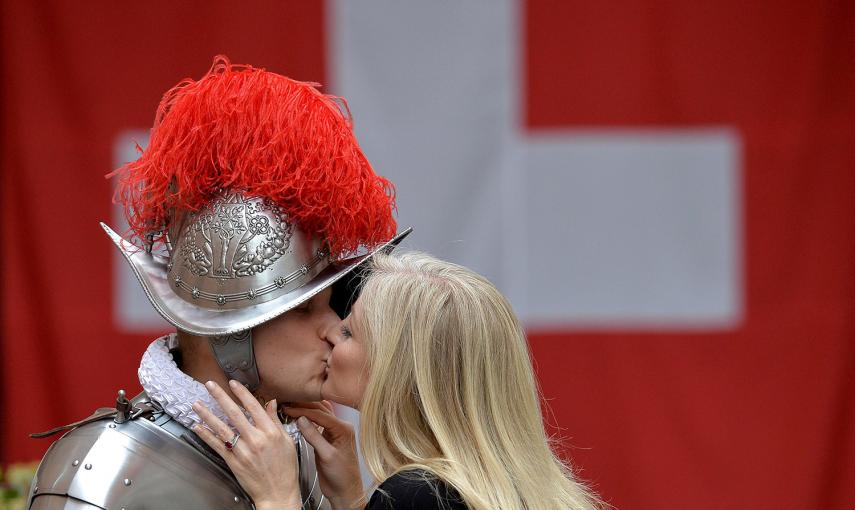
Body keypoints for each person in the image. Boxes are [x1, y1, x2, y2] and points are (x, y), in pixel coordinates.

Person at [26, 56, 409, 510]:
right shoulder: (100, 475)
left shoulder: (299, 455)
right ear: (232, 328)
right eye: (305, 309)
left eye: (327, 304)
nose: (333, 328)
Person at [195, 252, 602, 510]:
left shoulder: (422, 495)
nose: (332, 332)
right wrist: (355, 500)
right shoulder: (500, 486)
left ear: (398, 371)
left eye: (351, 333)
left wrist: (277, 498)